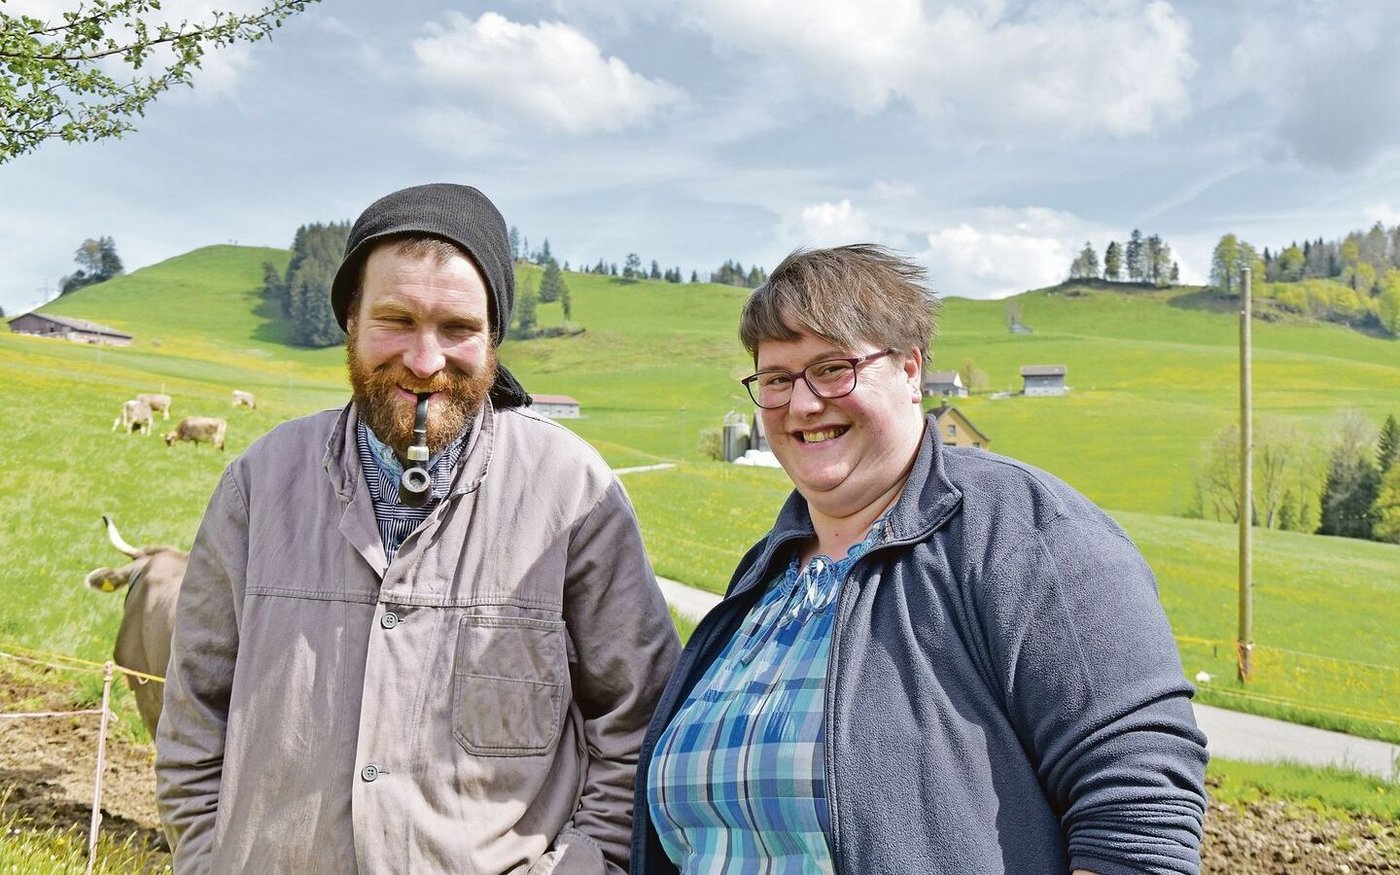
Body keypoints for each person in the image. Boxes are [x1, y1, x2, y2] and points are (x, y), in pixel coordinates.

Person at [632, 244, 1208, 874]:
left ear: (910, 371)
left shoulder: (1022, 531)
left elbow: (1138, 806)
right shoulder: (766, 577)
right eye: (776, 379)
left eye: (832, 368)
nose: (802, 404)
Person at [156, 182, 680, 873]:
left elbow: (639, 725)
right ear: (350, 320)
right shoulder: (259, 485)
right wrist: (210, 860)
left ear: (493, 336)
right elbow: (194, 716)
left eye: (458, 328)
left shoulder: (574, 494)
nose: (426, 359)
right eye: (395, 320)